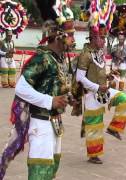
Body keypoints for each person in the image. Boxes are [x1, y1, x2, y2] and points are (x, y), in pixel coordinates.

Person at [0, 1, 76, 179]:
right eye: (71, 35)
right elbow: (21, 88)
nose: (73, 40)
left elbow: (56, 86)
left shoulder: (58, 58)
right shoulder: (42, 58)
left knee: (50, 170)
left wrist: (69, 97)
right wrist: (50, 101)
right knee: (40, 172)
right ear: (58, 36)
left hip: (55, 123)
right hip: (41, 123)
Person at [73, 2, 126, 164]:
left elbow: (97, 73)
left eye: (105, 38)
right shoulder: (85, 55)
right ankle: (93, 155)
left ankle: (114, 128)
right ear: (94, 38)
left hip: (103, 90)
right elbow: (80, 78)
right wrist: (98, 86)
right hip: (92, 95)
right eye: (103, 38)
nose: (105, 41)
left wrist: (108, 75)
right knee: (94, 126)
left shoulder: (99, 53)